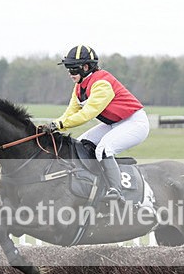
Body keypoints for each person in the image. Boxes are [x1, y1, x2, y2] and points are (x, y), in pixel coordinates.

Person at [43, 44, 150, 203]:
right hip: (115, 123)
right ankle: (92, 182)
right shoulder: (79, 87)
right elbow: (70, 112)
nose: (70, 73)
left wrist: (58, 125)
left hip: (134, 123)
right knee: (79, 145)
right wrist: (55, 124)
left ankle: (116, 190)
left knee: (104, 149)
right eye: (68, 69)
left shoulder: (101, 83)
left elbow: (87, 114)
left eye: (73, 69)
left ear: (86, 67)